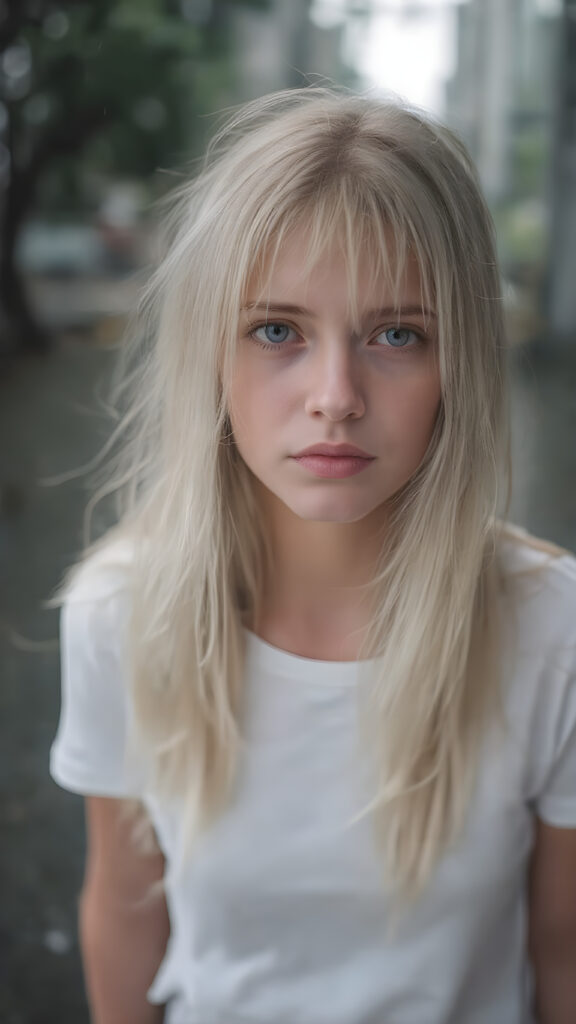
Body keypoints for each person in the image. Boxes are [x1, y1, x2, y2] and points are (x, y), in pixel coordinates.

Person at [50, 87, 576, 1024]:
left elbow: (563, 944)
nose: (335, 395)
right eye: (278, 331)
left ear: (460, 363)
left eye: (397, 334)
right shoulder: (122, 612)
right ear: (210, 351)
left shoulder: (553, 627)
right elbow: (125, 912)